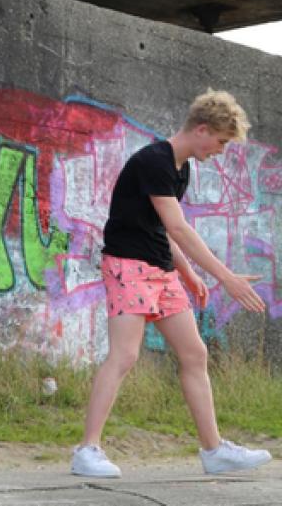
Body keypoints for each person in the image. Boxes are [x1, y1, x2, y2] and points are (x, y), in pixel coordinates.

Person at [71, 89, 271, 478]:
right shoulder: (154, 161)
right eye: (221, 141)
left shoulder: (181, 168)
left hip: (159, 270)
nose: (221, 150)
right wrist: (224, 277)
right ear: (201, 129)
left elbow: (162, 227)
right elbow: (178, 226)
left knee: (194, 354)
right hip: (128, 265)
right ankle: (87, 450)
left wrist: (189, 273)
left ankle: (213, 451)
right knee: (124, 355)